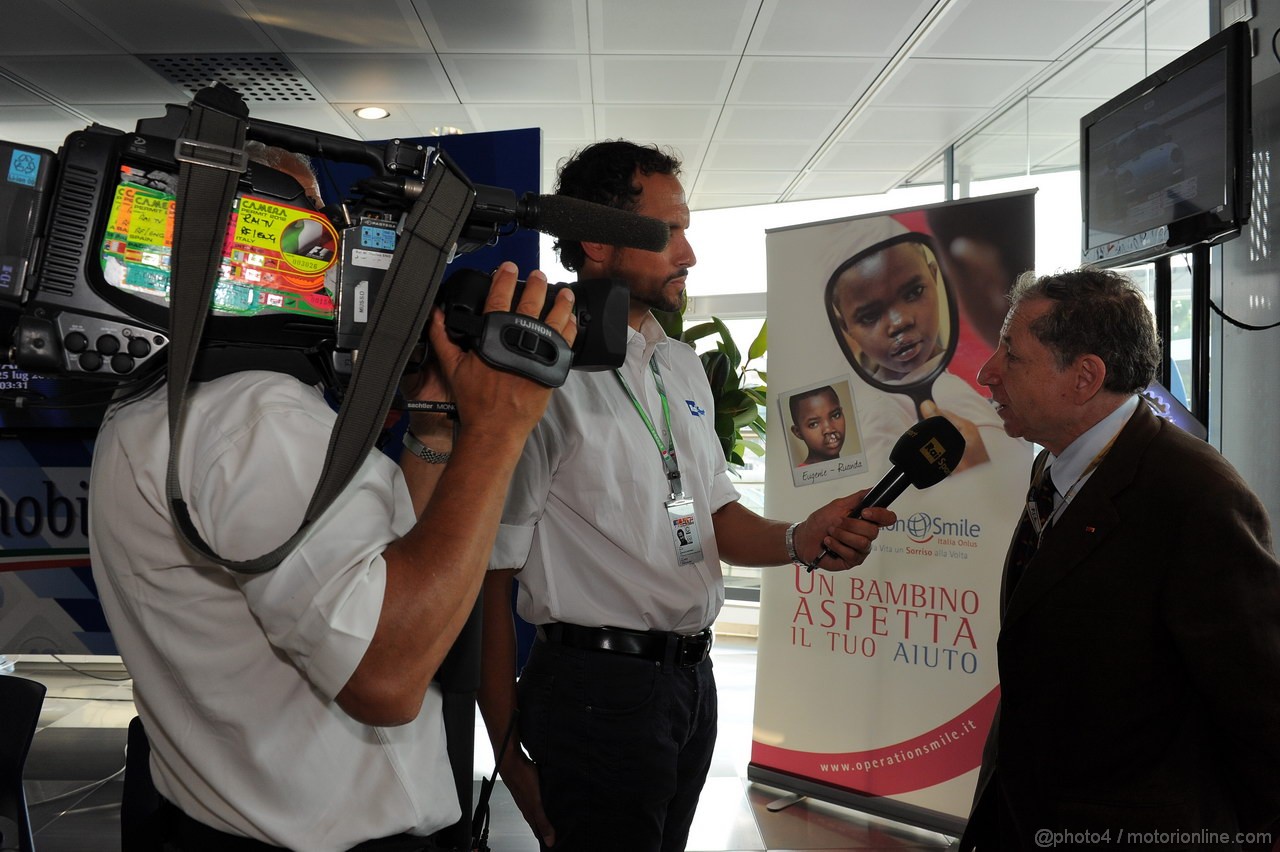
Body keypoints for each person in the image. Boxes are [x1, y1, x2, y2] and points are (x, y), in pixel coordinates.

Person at [476, 139, 897, 852]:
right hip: (593, 692)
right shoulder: (540, 375)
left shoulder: (678, 365)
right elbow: (489, 578)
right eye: (670, 232)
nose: (690, 254)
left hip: (689, 686)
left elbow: (714, 517)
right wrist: (510, 759)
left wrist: (804, 536)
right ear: (597, 243)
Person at [89, 256, 579, 851]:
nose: (330, 259)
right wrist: (498, 429)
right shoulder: (259, 417)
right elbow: (384, 674)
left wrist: (437, 436)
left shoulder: (163, 401)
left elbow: (396, 574)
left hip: (225, 819)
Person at [961, 267, 1280, 851]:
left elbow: (1259, 698)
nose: (987, 373)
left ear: (1084, 377)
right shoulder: (1053, 467)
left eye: (1012, 354)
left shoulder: (1195, 494)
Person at [824, 223, 1011, 475]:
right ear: (845, 327)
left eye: (914, 293)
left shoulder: (958, 395)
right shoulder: (868, 413)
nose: (899, 322)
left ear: (934, 276)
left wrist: (979, 468)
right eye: (870, 316)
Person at [788, 384, 846, 466]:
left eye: (835, 415)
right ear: (798, 432)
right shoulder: (801, 476)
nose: (829, 429)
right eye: (813, 424)